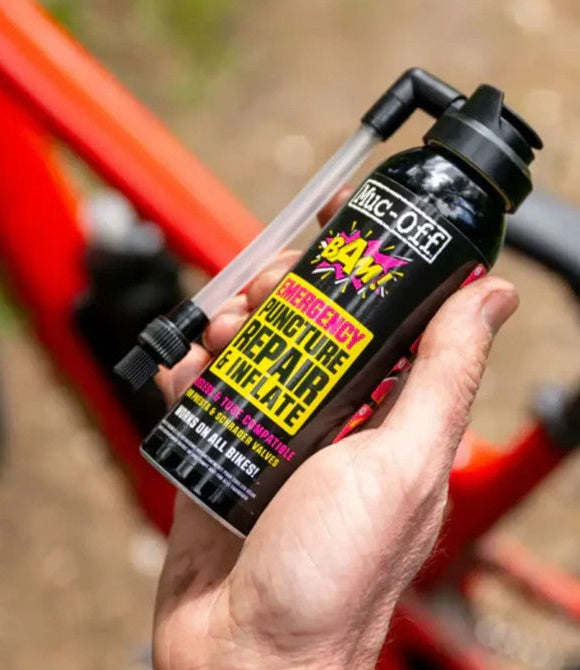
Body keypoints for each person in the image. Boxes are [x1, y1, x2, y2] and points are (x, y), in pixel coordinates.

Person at [152, 189, 519, 670]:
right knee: (282, 299)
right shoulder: (431, 196)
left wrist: (277, 652)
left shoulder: (469, 223)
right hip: (226, 467)